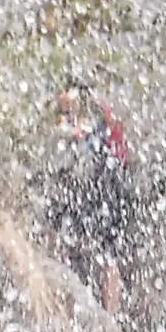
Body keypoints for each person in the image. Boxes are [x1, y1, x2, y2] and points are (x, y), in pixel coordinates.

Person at [45, 86, 133, 315]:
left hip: (106, 180)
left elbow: (89, 134)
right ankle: (65, 303)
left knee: (107, 255)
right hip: (102, 179)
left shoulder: (93, 108)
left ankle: (106, 314)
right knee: (104, 253)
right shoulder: (96, 109)